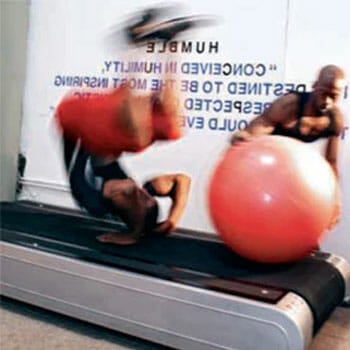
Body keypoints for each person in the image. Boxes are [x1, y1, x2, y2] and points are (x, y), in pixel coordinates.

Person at [55, 7, 203, 244]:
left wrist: (132, 234)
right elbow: (181, 180)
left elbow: (126, 192)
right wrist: (172, 219)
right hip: (107, 136)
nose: (144, 194)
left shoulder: (98, 202)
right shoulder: (141, 192)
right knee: (172, 126)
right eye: (150, 198)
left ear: (133, 213)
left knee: (137, 136)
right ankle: (170, 46)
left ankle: (136, 45)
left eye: (145, 201)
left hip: (82, 129)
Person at [231, 64, 346, 227]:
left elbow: (331, 162)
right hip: (266, 160)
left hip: (290, 169)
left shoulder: (334, 120)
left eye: (333, 96)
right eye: (323, 93)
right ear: (314, 87)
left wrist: (335, 199)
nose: (327, 101)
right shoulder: (289, 105)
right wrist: (244, 138)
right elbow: (259, 128)